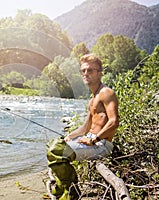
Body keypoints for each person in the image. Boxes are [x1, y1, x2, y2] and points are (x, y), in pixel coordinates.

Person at [46, 54, 119, 200]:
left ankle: (71, 193)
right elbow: (86, 128)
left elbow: (114, 121)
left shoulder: (106, 93)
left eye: (90, 70)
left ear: (100, 73)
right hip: (90, 141)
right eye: (83, 71)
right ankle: (65, 189)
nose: (86, 74)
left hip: (101, 145)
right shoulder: (93, 98)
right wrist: (69, 137)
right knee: (53, 145)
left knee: (57, 151)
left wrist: (94, 139)